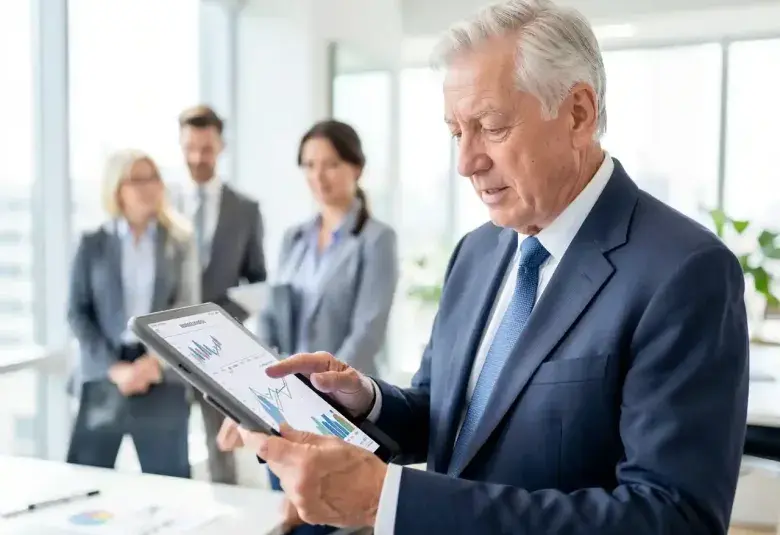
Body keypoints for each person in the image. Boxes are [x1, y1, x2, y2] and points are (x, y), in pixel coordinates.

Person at [227, 1, 750, 533]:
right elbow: (449, 417)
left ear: (578, 113)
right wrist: (367, 400)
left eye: (492, 127)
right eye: (457, 131)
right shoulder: (478, 251)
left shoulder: (685, 272)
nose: (466, 162)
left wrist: (388, 501)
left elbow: (672, 519)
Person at [220, 119, 399, 534]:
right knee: (286, 522)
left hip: (338, 413)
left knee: (326, 523)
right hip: (285, 410)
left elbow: (366, 335)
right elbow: (273, 320)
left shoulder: (376, 240)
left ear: (356, 167)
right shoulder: (294, 238)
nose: (318, 176)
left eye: (331, 164)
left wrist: (312, 399)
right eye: (308, 165)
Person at [66, 149, 199, 478]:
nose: (148, 187)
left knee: (172, 484)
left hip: (160, 372)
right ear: (117, 189)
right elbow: (77, 313)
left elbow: (185, 310)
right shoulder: (92, 243)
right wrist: (116, 370)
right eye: (137, 179)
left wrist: (153, 363)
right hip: (105, 372)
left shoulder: (179, 243)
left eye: (153, 178)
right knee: (85, 480)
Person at [174, 104, 268, 485]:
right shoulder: (161, 202)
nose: (198, 158)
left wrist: (217, 321)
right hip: (164, 353)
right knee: (168, 451)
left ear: (221, 146)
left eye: (207, 149)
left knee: (222, 451)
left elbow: (257, 282)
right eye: (190, 148)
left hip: (217, 349)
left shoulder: (245, 209)